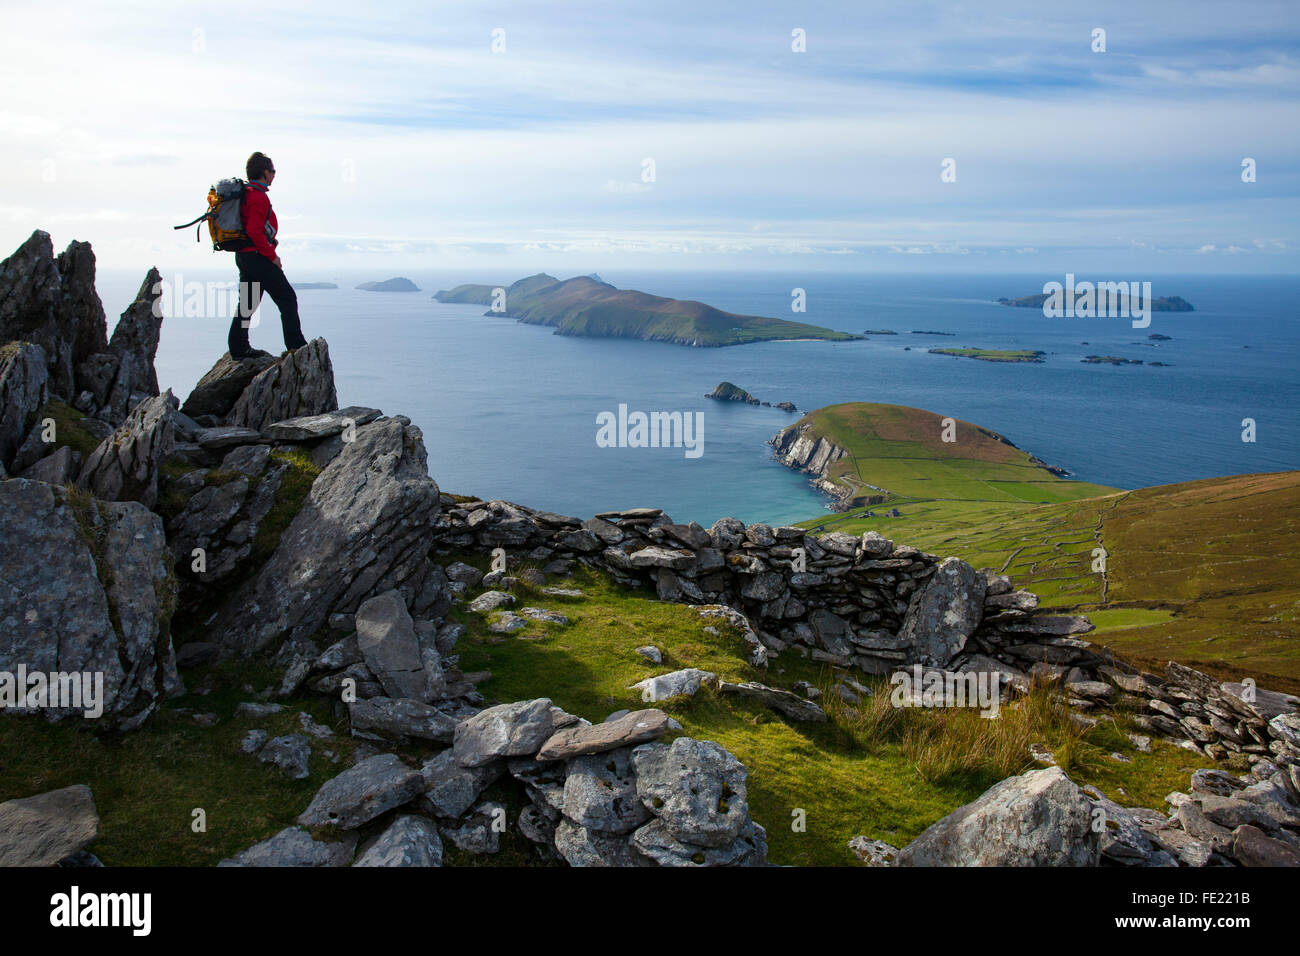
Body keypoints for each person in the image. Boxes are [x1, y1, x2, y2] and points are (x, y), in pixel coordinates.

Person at [227, 152, 308, 359]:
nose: (274, 175)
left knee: (248, 304)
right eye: (273, 171)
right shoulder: (258, 197)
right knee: (287, 299)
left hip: (244, 257)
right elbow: (254, 231)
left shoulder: (246, 193)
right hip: (258, 258)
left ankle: (238, 347)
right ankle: (296, 346)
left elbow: (252, 229)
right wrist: (272, 256)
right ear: (265, 172)